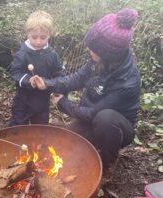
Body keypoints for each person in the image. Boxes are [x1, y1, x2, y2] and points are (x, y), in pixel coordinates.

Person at [32, 8, 140, 169]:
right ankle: (92, 146)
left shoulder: (127, 82)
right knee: (66, 146)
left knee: (105, 118)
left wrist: (62, 103)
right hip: (89, 118)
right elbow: (75, 79)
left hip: (115, 127)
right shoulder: (97, 62)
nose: (88, 49)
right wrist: (47, 84)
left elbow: (93, 113)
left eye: (92, 48)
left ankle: (106, 163)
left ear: (107, 53)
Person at [9, 10, 66, 126]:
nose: (38, 41)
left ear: (49, 35)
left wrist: (55, 87)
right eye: (34, 37)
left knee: (40, 126)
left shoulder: (52, 54)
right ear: (28, 34)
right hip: (23, 100)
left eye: (43, 37)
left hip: (42, 100)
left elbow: (59, 73)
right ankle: (18, 143)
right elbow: (15, 72)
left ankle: (38, 144)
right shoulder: (23, 54)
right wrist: (28, 80)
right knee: (18, 125)